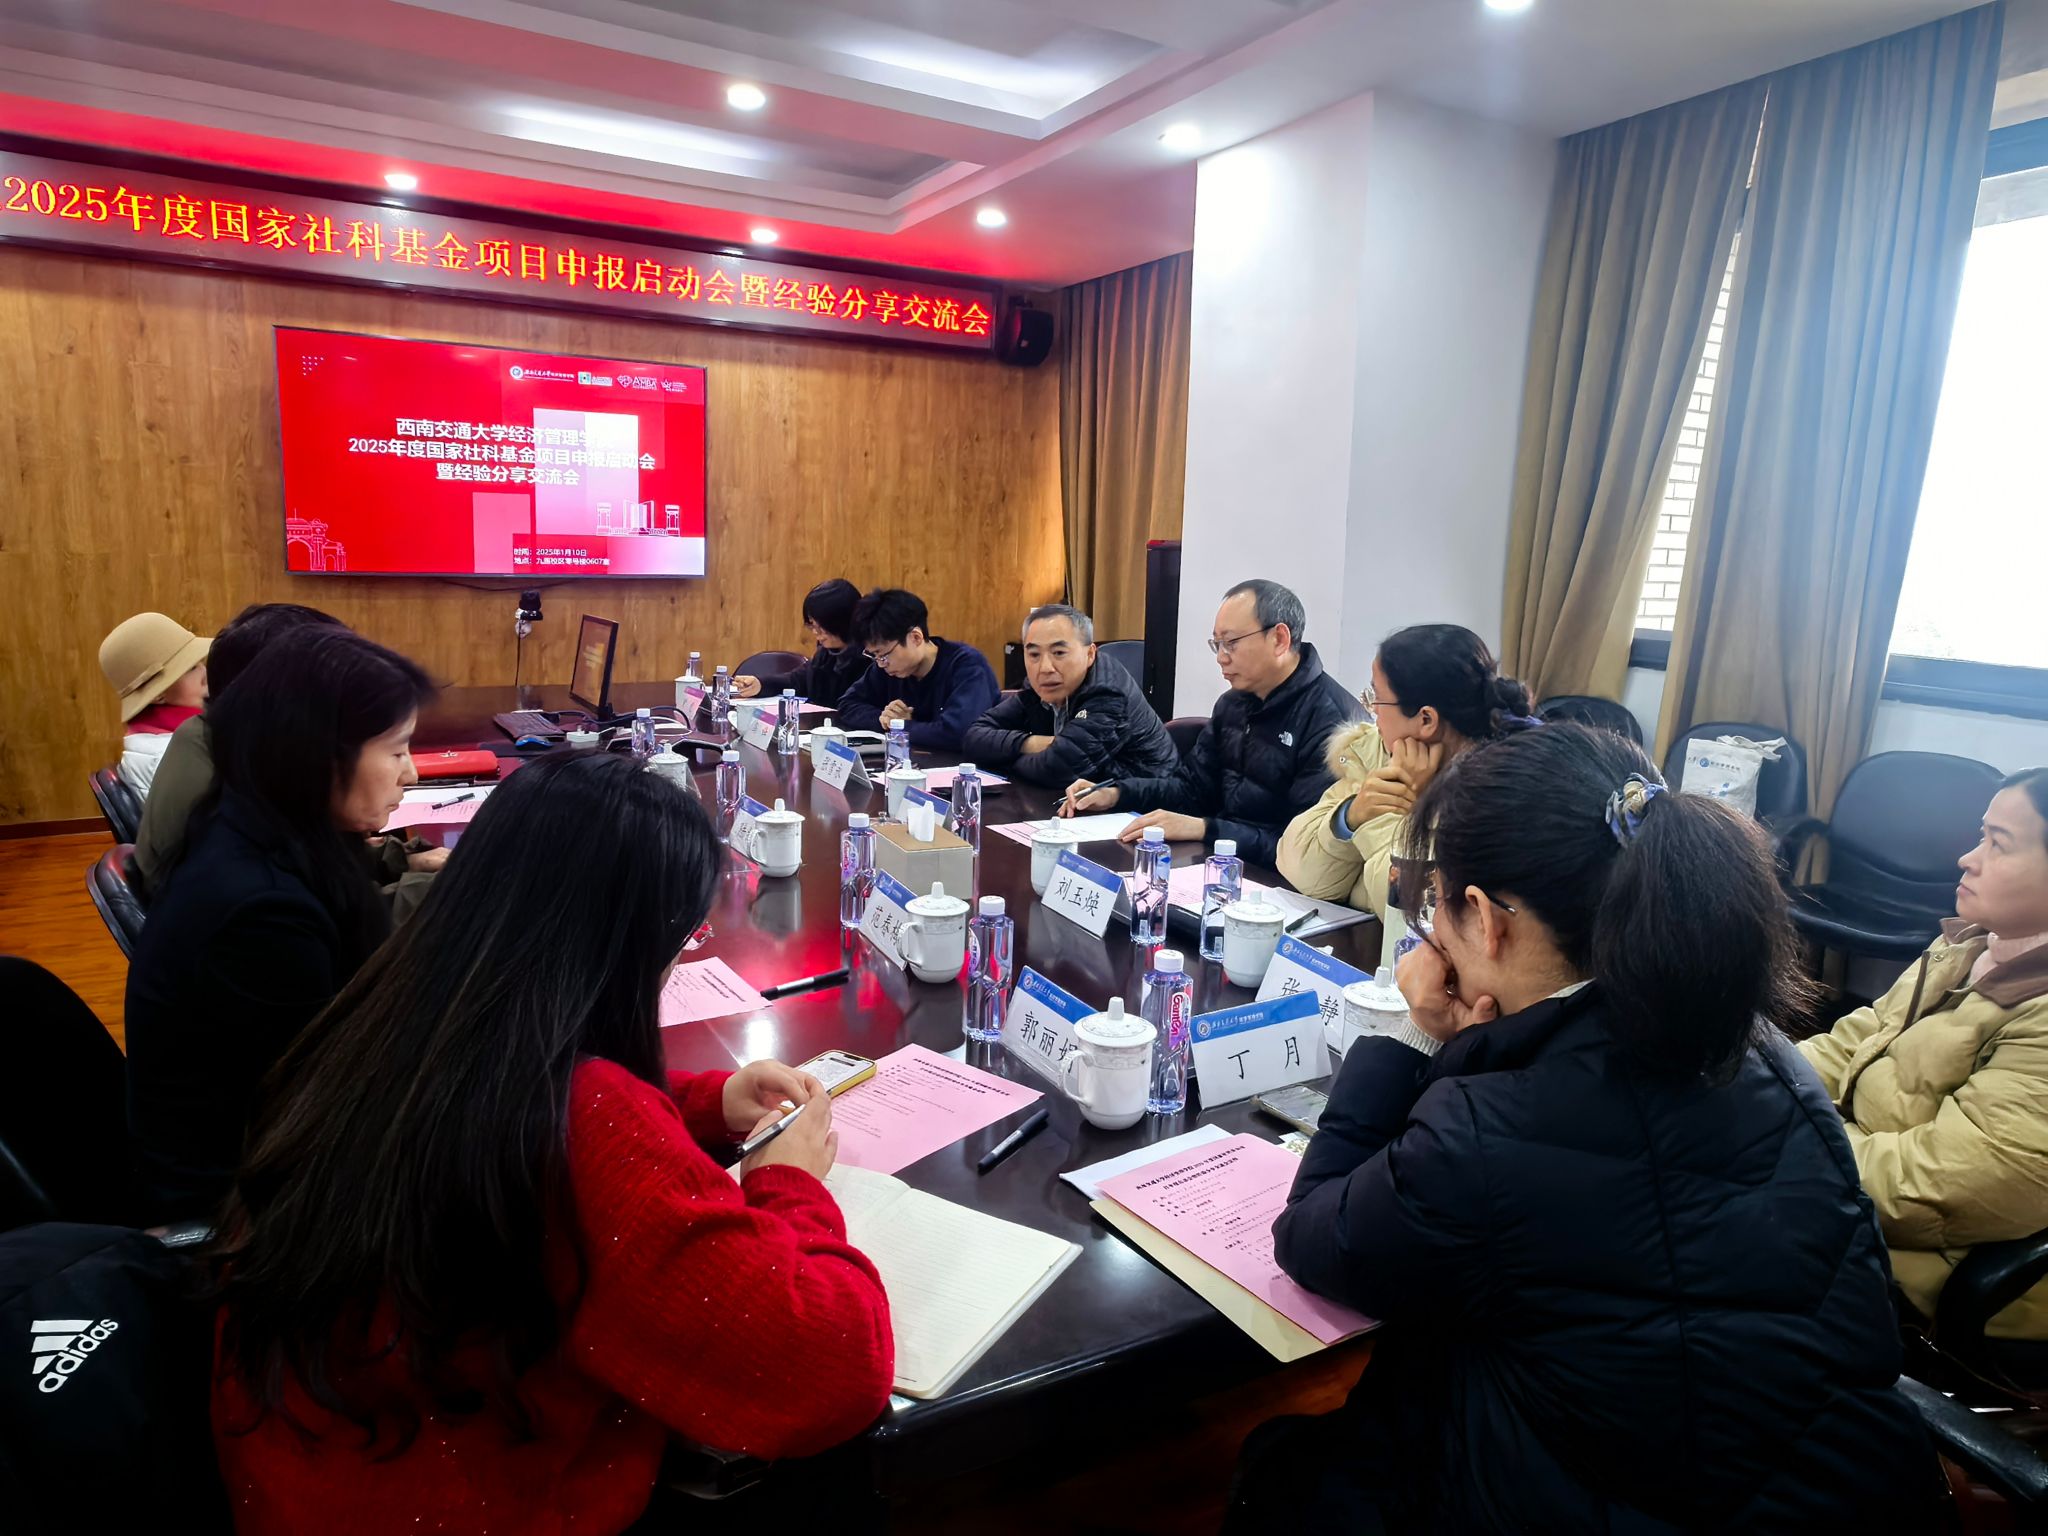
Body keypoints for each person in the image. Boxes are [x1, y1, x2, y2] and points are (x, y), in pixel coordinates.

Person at [1238, 724, 1938, 1532]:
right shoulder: (1764, 1049)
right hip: (1838, 1494)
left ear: (1483, 918)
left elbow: (1312, 1238)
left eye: (1433, 904)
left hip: (1597, 1496)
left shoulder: (1489, 1130)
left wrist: (1418, 1035)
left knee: (1280, 1467)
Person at [210, 752, 893, 1534]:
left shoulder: (392, 1010)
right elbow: (838, 1370)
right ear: (629, 944)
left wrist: (699, 1105)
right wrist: (788, 1184)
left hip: (311, 1477)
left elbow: (500, 1105)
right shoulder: (581, 1130)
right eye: (683, 937)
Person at [124, 627, 435, 1222]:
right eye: (397, 751)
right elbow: (326, 1108)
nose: (412, 774)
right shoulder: (259, 913)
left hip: (281, 1151)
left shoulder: (275, 830)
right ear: (315, 756)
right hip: (245, 1206)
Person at [1800, 766, 2048, 1343]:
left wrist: (1794, 1146)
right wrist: (1759, 1087)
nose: (1968, 859)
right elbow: (1859, 1037)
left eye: (1998, 844)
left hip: (1932, 1261)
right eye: (1981, 836)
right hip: (1858, 1183)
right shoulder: (1969, 944)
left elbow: (1951, 1186)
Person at [1063, 579, 1361, 862]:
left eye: (1230, 643)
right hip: (1219, 860)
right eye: (1216, 644)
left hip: (1280, 882)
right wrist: (1117, 793)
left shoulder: (1334, 724)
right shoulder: (1232, 705)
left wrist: (1204, 828)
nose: (1221, 657)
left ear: (1279, 639)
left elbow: (1305, 849)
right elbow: (1189, 791)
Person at [1277, 624, 1535, 918]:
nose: (1372, 711)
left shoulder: (1494, 794)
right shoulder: (1375, 751)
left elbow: (1413, 915)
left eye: (1377, 697)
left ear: (1426, 720)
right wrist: (1350, 816)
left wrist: (1390, 812)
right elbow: (1300, 870)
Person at [961, 603, 1179, 789]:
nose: (1045, 668)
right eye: (1034, 654)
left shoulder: (1108, 694)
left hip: (1141, 805)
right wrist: (1032, 742)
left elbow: (1056, 770)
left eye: (1059, 653)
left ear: (1090, 654)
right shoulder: (1040, 686)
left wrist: (1003, 757)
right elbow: (974, 737)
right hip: (1076, 801)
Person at [834, 587, 1000, 752]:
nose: (881, 664)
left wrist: (902, 726)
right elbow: (847, 705)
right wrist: (885, 719)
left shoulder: (967, 666)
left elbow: (959, 733)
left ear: (916, 637)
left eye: (883, 654)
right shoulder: (889, 668)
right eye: (874, 655)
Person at [100, 610, 211, 798]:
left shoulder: (151, 737)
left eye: (200, 662)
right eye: (191, 668)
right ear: (158, 695)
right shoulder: (179, 757)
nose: (205, 673)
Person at [731, 576, 871, 709]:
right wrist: (760, 685)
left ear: (841, 622)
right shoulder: (825, 655)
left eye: (820, 626)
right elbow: (795, 681)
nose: (815, 632)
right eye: (812, 625)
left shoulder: (871, 658)